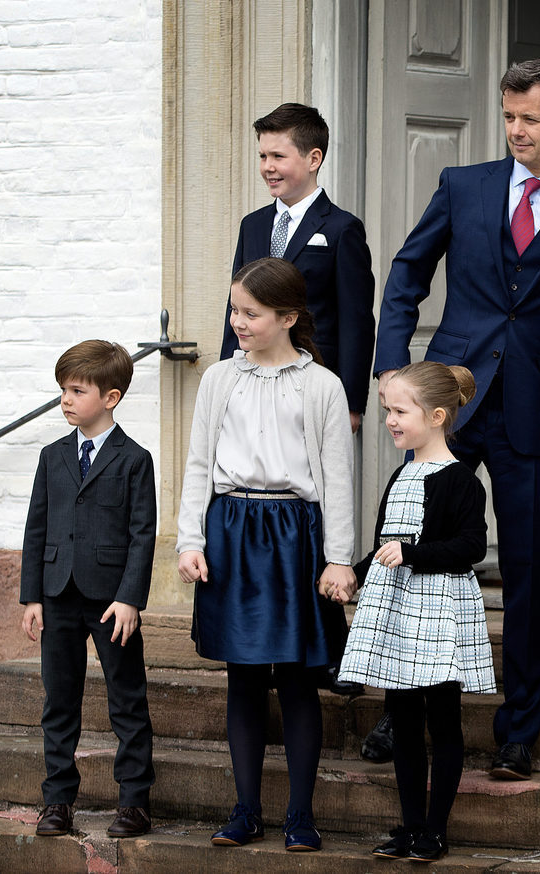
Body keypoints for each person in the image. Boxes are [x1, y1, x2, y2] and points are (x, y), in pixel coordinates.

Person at [371, 58, 540, 780]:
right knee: (416, 551)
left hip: (534, 405)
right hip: (451, 401)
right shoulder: (463, 186)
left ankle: (517, 727)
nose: (516, 130)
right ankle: (395, 707)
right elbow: (408, 270)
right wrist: (391, 367)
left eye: (531, 118)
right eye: (508, 117)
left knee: (528, 570)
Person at [177, 257, 356, 852]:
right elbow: (199, 464)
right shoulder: (219, 380)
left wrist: (338, 558)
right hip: (231, 531)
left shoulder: (322, 385)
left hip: (295, 534)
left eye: (250, 314)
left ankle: (301, 816)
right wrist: (190, 540)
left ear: (288, 317)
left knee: (301, 681)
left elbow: (337, 478)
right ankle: (246, 809)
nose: (237, 323)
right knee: (244, 679)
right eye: (234, 311)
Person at [333, 362, 493, 862]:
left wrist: (414, 552)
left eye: (400, 411)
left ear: (437, 415)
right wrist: (353, 572)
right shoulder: (401, 473)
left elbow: (470, 547)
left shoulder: (461, 481)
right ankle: (409, 824)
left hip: (439, 612)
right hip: (400, 614)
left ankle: (436, 830)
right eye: (388, 411)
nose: (391, 421)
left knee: (442, 720)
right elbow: (388, 543)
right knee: (402, 721)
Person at [20, 340, 157, 839]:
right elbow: (36, 528)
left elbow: (143, 532)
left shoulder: (134, 459)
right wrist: (31, 596)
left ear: (111, 397)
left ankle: (135, 803)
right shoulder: (51, 456)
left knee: (126, 700)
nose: (66, 400)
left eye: (77, 390)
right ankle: (57, 801)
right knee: (60, 700)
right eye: (63, 390)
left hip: (110, 600)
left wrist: (130, 598)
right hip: (57, 594)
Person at [220, 102, 375, 433]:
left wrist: (351, 402)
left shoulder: (342, 229)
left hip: (313, 381)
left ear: (313, 159)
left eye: (278, 157)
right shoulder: (253, 225)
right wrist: (226, 380)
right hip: (251, 377)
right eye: (263, 156)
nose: (268, 167)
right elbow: (235, 308)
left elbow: (355, 321)